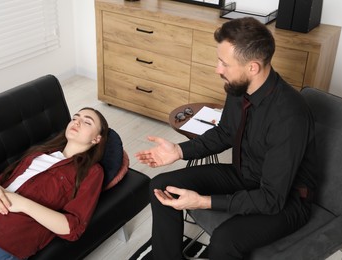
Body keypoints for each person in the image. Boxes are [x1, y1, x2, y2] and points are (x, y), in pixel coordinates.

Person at [135, 17, 317, 260]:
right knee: (160, 186)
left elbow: (271, 199)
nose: (217, 69)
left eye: (224, 63)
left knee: (225, 240)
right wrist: (178, 151)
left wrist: (204, 202)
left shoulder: (290, 115)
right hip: (245, 174)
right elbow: (225, 133)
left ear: (252, 67)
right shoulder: (240, 87)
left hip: (286, 199)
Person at [0, 107, 109, 260]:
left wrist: (23, 204)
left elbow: (73, 228)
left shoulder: (92, 172)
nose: (77, 122)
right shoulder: (40, 153)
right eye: (75, 118)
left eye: (87, 122)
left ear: (96, 139)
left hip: (4, 236)